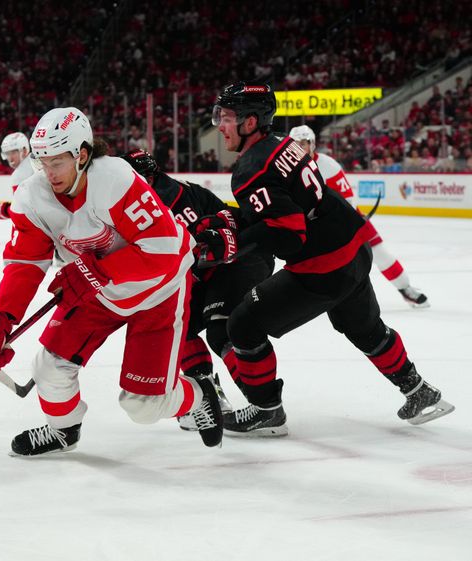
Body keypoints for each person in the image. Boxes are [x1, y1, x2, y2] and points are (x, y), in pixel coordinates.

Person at [0, 107, 223, 456]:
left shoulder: (115, 178)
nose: (47, 172)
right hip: (97, 288)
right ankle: (64, 431)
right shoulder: (32, 195)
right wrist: (2, 317)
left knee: (143, 407)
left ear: (83, 154)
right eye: (41, 161)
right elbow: (25, 262)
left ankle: (197, 397)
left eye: (57, 162)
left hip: (158, 289)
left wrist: (91, 273)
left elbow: (162, 250)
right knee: (48, 368)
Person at [209, 82, 453, 436]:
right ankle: (419, 391)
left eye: (227, 117)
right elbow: (288, 204)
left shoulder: (250, 168)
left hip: (324, 267)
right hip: (353, 245)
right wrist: (240, 220)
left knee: (242, 324)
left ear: (250, 122)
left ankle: (266, 410)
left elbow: (289, 236)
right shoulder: (283, 143)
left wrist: (233, 244)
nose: (219, 124)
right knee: (364, 328)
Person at [121, 149, 274, 421]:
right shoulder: (135, 206)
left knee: (221, 330)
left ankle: (265, 406)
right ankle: (208, 395)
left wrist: (215, 236)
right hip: (205, 273)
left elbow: (233, 221)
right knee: (177, 327)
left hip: (238, 261)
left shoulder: (178, 197)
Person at [289, 125, 429, 308]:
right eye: (296, 144)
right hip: (313, 227)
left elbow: (347, 198)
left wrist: (342, 221)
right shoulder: (287, 169)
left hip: (347, 221)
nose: (301, 148)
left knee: (381, 254)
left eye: (304, 143)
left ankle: (405, 288)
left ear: (312, 144)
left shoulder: (328, 165)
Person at [0, 132, 34, 220]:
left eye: (13, 152)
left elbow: (24, 214)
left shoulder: (20, 174)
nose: (10, 158)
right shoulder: (36, 161)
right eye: (7, 153)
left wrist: (4, 210)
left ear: (24, 150)